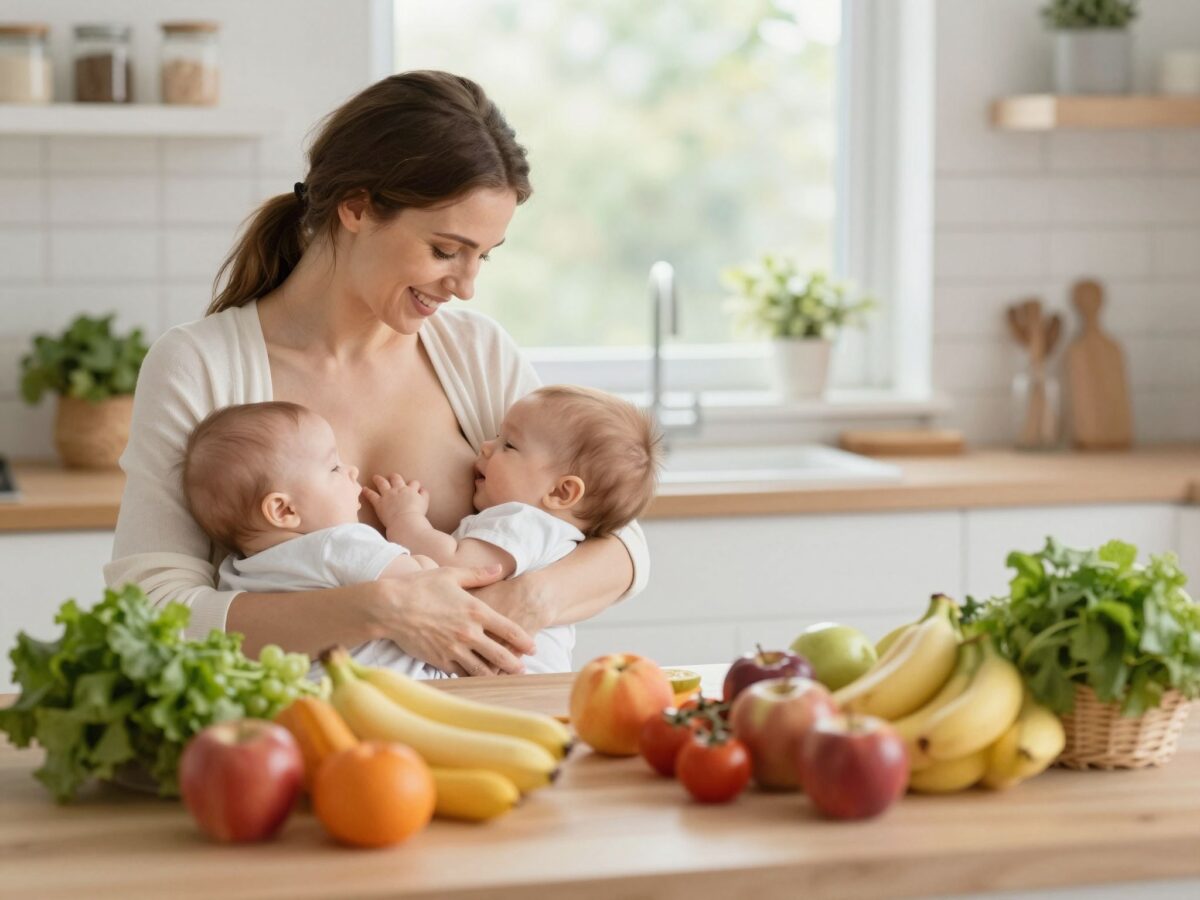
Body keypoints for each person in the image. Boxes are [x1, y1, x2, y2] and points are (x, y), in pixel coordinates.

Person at [104, 71, 650, 677]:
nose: (466, 286)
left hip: (490, 736)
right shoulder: (201, 366)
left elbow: (622, 543)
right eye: (446, 251)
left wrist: (519, 601)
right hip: (291, 747)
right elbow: (153, 609)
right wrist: (382, 609)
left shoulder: (476, 352)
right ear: (357, 207)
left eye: (483, 257)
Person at [366, 384, 663, 674]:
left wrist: (405, 518)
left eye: (508, 445)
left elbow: (454, 563)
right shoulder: (554, 532)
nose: (486, 445)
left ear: (562, 492)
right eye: (498, 435)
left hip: (509, 686)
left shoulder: (524, 522)